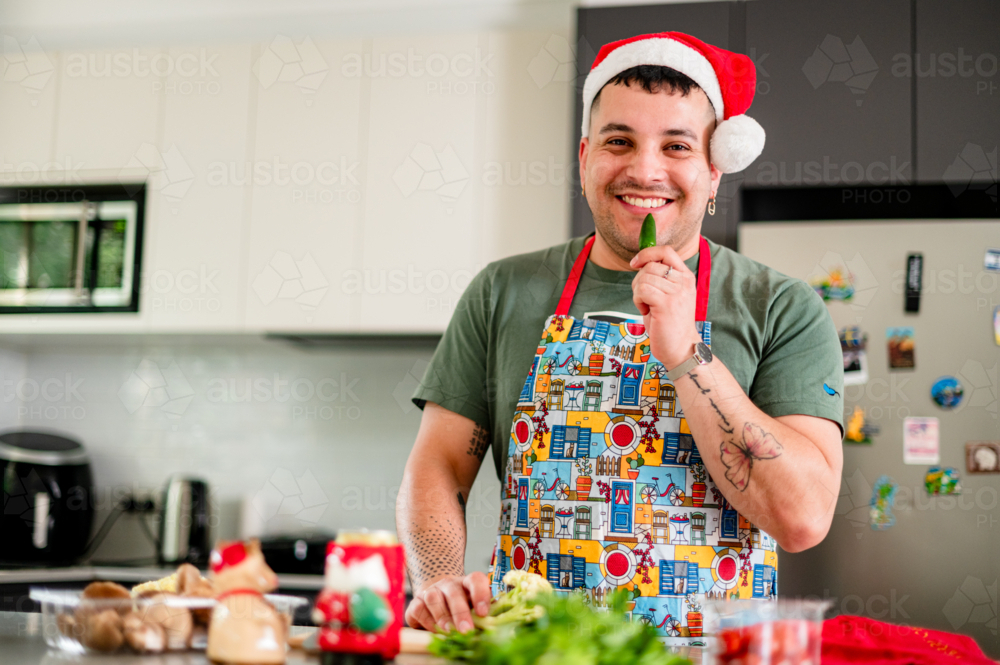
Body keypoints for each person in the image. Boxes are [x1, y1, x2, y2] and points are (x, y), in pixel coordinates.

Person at [396, 31, 844, 645]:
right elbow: (438, 468)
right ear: (584, 159)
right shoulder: (503, 291)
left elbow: (801, 519)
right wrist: (438, 581)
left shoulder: (781, 306)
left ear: (714, 172)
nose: (645, 169)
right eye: (619, 141)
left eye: (677, 145)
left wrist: (688, 354)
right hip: (535, 656)